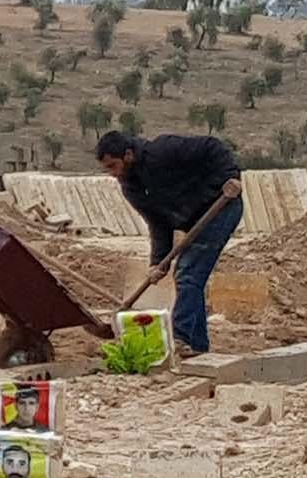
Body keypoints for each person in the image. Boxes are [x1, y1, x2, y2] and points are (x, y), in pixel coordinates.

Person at [95, 130, 243, 359]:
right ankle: (197, 347)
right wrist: (158, 262)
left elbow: (212, 146)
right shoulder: (132, 188)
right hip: (195, 218)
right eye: (107, 169)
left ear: (127, 155)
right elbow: (158, 222)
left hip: (221, 206)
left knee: (188, 273)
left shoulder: (164, 150)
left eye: (113, 166)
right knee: (189, 277)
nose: (112, 174)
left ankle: (182, 337)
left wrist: (231, 177)